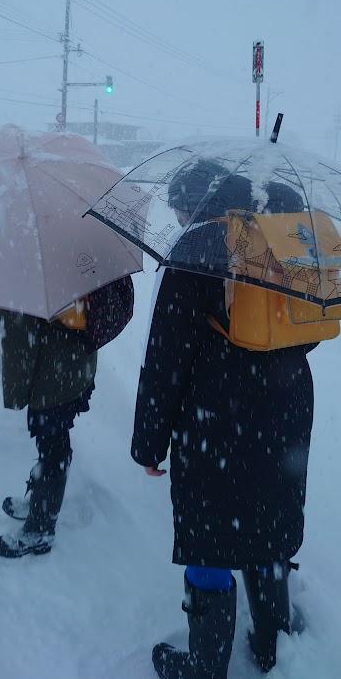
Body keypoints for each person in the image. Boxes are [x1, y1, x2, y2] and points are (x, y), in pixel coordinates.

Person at [131, 163, 314, 678]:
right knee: (268, 516)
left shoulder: (196, 253)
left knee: (210, 532)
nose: (178, 219)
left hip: (215, 418)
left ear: (197, 205)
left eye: (179, 209)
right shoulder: (285, 242)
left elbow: (166, 361)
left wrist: (149, 444)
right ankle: (274, 638)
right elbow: (310, 330)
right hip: (286, 411)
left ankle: (205, 663)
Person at [0, 307, 97, 558]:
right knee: (54, 441)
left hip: (52, 375)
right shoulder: (67, 280)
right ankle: (41, 501)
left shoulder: (22, 287)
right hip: (76, 363)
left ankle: (40, 528)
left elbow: (18, 339)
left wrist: (16, 394)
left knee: (52, 446)